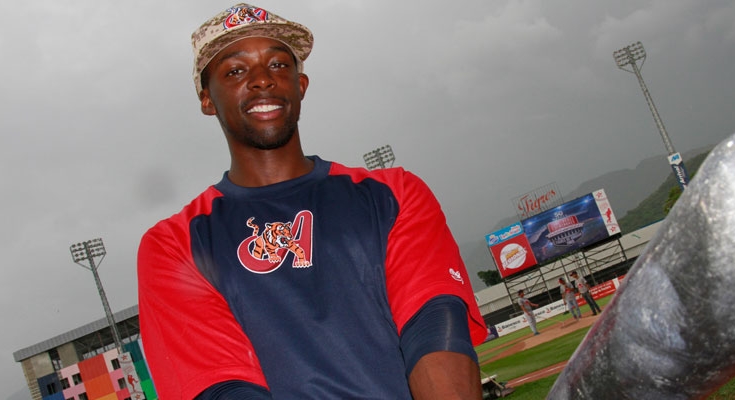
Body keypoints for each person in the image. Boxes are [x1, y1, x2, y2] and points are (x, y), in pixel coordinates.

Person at [136, 4, 486, 399]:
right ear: (207, 100)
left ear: (300, 85)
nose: (262, 79)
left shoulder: (396, 193)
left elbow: (435, 327)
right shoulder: (174, 245)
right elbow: (223, 388)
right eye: (235, 71)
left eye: (278, 64)